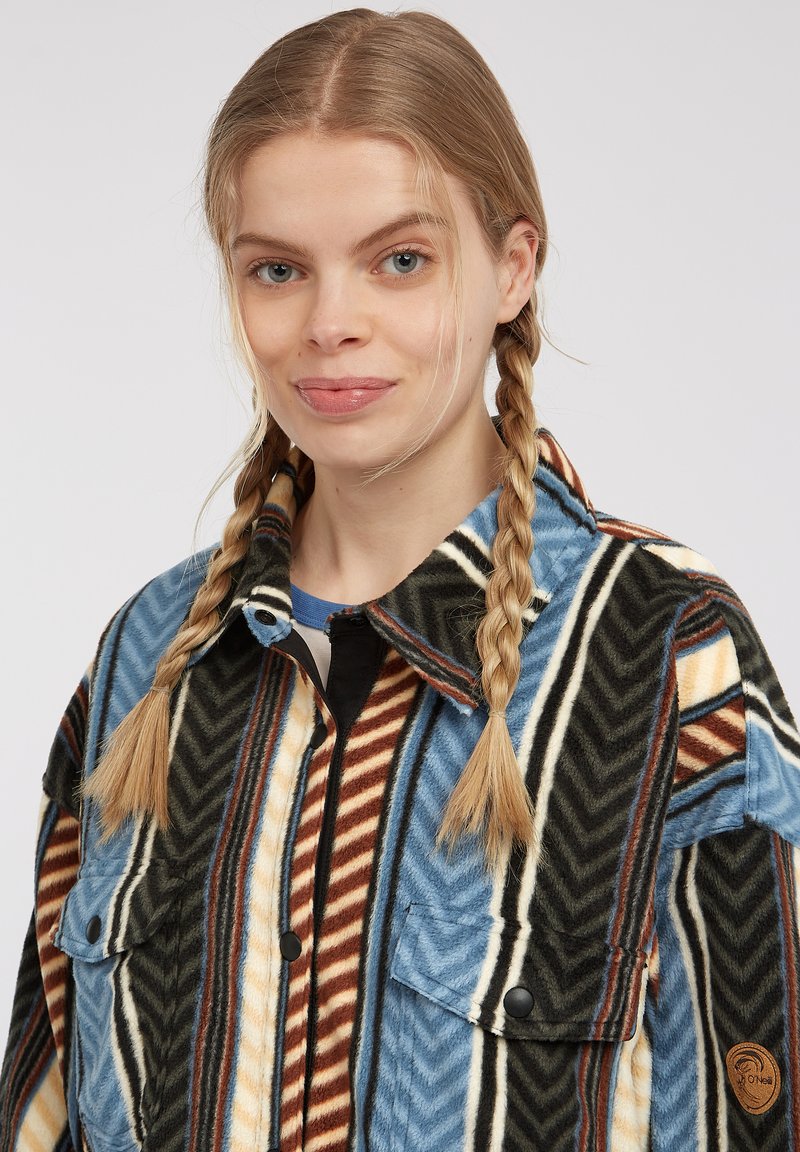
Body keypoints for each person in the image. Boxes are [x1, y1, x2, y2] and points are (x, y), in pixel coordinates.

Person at [1, 7, 798, 1151]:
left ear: (511, 267)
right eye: (278, 269)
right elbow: (43, 1110)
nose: (331, 323)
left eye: (400, 261)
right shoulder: (148, 658)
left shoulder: (665, 653)